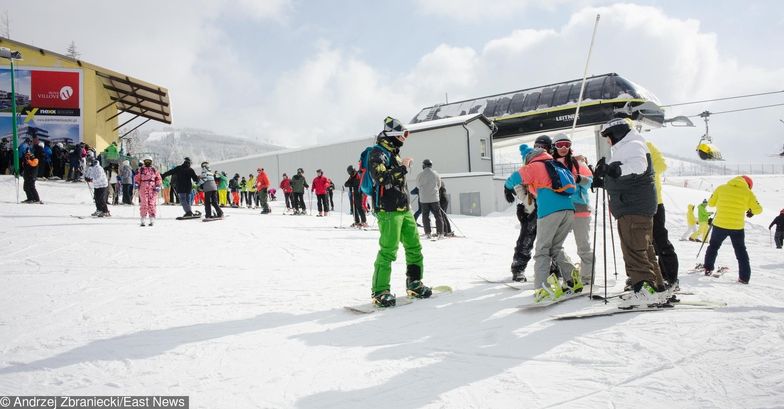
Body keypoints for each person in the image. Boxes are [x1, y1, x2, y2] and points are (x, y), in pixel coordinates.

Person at [594, 118, 666, 307]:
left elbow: (638, 167)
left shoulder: (632, 145)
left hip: (633, 208)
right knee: (644, 250)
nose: (608, 141)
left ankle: (644, 292)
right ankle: (657, 288)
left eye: (608, 137)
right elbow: (627, 178)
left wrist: (611, 169)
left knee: (634, 251)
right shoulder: (628, 146)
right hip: (634, 206)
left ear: (616, 133)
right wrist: (603, 180)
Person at [368, 116, 432, 307]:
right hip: (388, 210)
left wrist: (401, 166)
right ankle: (380, 291)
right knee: (388, 251)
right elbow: (379, 177)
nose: (404, 140)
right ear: (392, 135)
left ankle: (414, 282)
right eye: (402, 136)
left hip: (404, 208)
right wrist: (403, 167)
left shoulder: (393, 153)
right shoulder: (377, 153)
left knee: (414, 247)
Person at [519, 143, 578, 301]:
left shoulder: (534, 165)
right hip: (569, 210)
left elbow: (514, 178)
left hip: (550, 212)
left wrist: (508, 186)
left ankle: (542, 289)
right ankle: (574, 280)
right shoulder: (554, 163)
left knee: (542, 250)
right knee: (555, 248)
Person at [503, 136, 552, 282]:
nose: (539, 149)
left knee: (551, 240)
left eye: (542, 147)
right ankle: (518, 268)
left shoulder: (553, 163)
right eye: (537, 146)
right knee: (527, 237)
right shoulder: (531, 162)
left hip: (550, 207)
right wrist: (526, 203)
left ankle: (554, 267)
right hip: (533, 207)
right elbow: (518, 182)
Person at [551, 133, 594, 286]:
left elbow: (590, 182)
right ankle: (571, 274)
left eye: (567, 145)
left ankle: (587, 278)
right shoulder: (550, 164)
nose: (563, 148)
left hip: (579, 208)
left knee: (583, 245)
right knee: (554, 245)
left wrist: (578, 178)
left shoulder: (577, 164)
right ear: (554, 146)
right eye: (560, 144)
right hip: (559, 209)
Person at [702, 176, 762, 283]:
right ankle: (744, 278)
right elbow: (759, 209)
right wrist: (751, 211)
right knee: (741, 252)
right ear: (748, 185)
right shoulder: (748, 193)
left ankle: (708, 268)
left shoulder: (721, 188)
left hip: (719, 225)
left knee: (713, 247)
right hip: (737, 227)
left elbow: (711, 203)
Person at [646, 141, 680, 289]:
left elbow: (662, 166)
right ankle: (646, 277)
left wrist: (641, 172)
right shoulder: (619, 148)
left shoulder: (646, 145)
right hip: (635, 204)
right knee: (641, 243)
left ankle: (669, 278)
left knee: (660, 240)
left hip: (654, 202)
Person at [416, 158, 445, 239]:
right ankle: (440, 233)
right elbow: (439, 185)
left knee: (425, 216)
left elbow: (417, 185)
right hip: (434, 198)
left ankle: (428, 233)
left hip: (424, 199)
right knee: (438, 216)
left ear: (424, 165)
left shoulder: (420, 174)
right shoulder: (436, 174)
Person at [134, 155, 162, 226]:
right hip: (143, 187)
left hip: (153, 188)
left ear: (151, 162)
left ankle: (152, 218)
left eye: (149, 161)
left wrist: (158, 185)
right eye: (146, 161)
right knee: (144, 203)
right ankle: (143, 218)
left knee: (152, 203)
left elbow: (158, 178)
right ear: (144, 162)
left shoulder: (154, 170)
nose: (147, 162)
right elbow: (137, 177)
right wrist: (137, 183)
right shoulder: (141, 170)